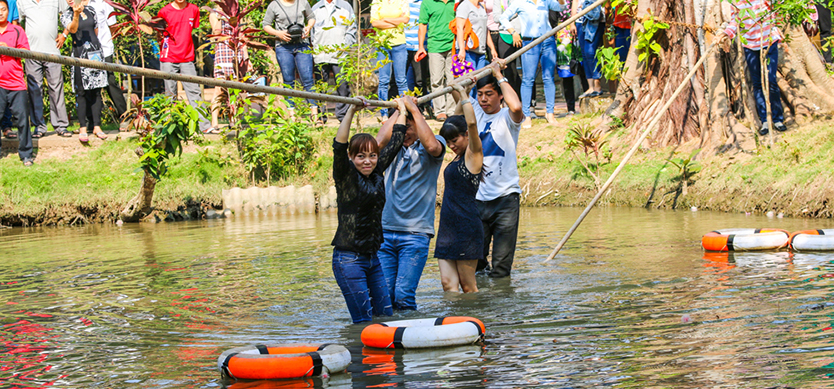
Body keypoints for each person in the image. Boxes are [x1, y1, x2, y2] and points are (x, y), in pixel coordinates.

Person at [331, 98, 407, 324]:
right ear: (352, 158)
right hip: (349, 260)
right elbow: (339, 145)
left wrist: (402, 109)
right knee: (363, 321)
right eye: (361, 156)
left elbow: (396, 141)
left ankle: (383, 360)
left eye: (372, 156)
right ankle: (360, 358)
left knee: (385, 317)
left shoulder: (376, 173)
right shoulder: (345, 176)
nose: (368, 161)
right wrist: (352, 109)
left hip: (373, 258)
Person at [375, 96, 445, 310]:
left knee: (403, 295)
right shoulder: (392, 148)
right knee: (384, 295)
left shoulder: (433, 144)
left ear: (419, 120)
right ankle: (386, 337)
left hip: (415, 234)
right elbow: (378, 143)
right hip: (385, 232)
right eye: (401, 127)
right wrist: (399, 110)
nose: (404, 131)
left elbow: (433, 146)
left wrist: (413, 109)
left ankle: (408, 336)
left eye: (409, 127)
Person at [474, 60, 524, 278]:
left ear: (500, 94)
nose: (484, 99)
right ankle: (481, 304)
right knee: (476, 261)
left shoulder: (507, 118)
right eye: (480, 94)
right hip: (477, 198)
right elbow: (457, 85)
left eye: (489, 94)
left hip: (505, 198)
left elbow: (517, 107)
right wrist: (481, 72)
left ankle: (502, 307)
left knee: (501, 266)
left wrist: (498, 74)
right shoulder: (475, 112)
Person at [435, 82, 483, 293]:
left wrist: (464, 95)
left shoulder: (473, 156)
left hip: (466, 228)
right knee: (448, 284)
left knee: (468, 285)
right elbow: (456, 121)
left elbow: (471, 125)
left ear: (465, 136)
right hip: (447, 228)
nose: (451, 145)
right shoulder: (456, 157)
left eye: (454, 140)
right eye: (448, 142)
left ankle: (475, 322)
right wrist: (464, 93)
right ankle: (453, 324)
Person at [722, 0, 787, 135]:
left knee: (771, 80)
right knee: (757, 82)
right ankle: (764, 120)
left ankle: (777, 119)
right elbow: (735, 22)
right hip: (750, 46)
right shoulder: (736, 2)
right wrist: (725, 34)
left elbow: (779, 7)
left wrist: (778, 26)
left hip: (769, 40)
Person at [499, 0, 566, 128]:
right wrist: (513, 32)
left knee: (548, 78)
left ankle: (550, 113)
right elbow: (503, 17)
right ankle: (526, 115)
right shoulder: (520, 3)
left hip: (548, 40)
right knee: (528, 79)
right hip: (530, 43)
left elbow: (561, 7)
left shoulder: (545, 1)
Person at [16, 0, 70, 138]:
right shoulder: (22, 1)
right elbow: (17, 23)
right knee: (34, 90)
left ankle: (61, 125)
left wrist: (64, 34)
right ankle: (39, 127)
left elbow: (68, 14)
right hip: (31, 52)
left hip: (53, 51)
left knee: (56, 88)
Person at [158, 0, 209, 133]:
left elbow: (190, 30)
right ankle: (169, 127)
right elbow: (158, 33)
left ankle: (204, 126)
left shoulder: (193, 9)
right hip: (169, 57)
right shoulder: (164, 12)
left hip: (187, 57)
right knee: (170, 93)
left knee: (194, 91)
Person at [263, 0, 318, 121]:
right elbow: (266, 25)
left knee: (308, 79)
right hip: (283, 47)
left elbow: (311, 17)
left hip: (302, 44)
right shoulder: (274, 5)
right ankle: (292, 116)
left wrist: (308, 27)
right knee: (288, 81)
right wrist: (278, 33)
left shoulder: (302, 2)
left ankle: (315, 115)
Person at [62, 0, 107, 143]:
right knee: (81, 92)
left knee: (96, 91)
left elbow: (95, 31)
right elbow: (73, 30)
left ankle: (97, 126)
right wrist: (76, 14)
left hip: (95, 54)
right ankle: (82, 127)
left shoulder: (91, 10)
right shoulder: (66, 14)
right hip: (79, 56)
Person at [0, 0, 33, 166]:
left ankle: (26, 154)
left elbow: (26, 52)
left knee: (22, 119)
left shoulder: (17, 30)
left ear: (8, 11)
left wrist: (8, 49)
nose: (0, 12)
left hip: (16, 83)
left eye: (3, 9)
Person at [311, 0, 355, 122]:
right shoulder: (315, 8)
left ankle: (343, 117)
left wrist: (344, 47)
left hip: (340, 55)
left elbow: (352, 29)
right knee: (320, 87)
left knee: (343, 87)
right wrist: (316, 50)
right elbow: (312, 33)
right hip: (321, 55)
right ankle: (321, 117)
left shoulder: (346, 7)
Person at [207, 5, 247, 132]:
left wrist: (246, 57)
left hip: (236, 52)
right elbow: (216, 32)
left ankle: (233, 120)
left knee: (236, 88)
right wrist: (219, 15)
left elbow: (242, 36)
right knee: (219, 88)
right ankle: (214, 123)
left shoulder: (236, 14)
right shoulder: (214, 14)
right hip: (223, 52)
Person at [88, 0, 126, 128]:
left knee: (110, 82)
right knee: (89, 85)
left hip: (104, 49)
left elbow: (113, 26)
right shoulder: (78, 4)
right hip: (86, 51)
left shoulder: (104, 3)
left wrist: (109, 45)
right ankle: (91, 122)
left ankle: (125, 116)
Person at [417, 0, 455, 121]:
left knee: (453, 79)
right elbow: (422, 25)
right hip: (435, 46)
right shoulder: (427, 3)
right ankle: (440, 111)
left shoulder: (455, 2)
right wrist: (421, 46)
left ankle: (452, 110)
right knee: (436, 80)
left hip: (453, 46)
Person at [371, 0, 409, 118]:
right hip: (382, 45)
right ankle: (384, 114)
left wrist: (385, 20)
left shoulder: (402, 1)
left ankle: (407, 112)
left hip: (399, 44)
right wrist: (396, 22)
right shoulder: (377, 2)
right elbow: (375, 23)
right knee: (383, 80)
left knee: (401, 80)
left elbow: (406, 20)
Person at [487, 0, 521, 97]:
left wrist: (506, 16)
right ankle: (510, 98)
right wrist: (515, 13)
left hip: (523, 33)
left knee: (527, 72)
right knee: (509, 71)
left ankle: (530, 102)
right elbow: (497, 18)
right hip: (505, 35)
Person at [573, 0, 604, 98]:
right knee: (584, 54)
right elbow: (575, 2)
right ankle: (590, 87)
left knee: (590, 51)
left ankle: (597, 85)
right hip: (580, 20)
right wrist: (572, 22)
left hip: (595, 18)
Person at [404, 0, 430, 109]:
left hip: (419, 47)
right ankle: (408, 107)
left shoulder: (424, 3)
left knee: (420, 80)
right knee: (405, 80)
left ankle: (421, 107)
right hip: (403, 47)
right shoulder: (402, 3)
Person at [455, 0, 493, 74]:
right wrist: (462, 49)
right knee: (471, 81)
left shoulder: (481, 7)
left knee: (480, 79)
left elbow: (485, 28)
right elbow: (459, 28)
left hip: (481, 51)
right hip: (468, 51)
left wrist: (492, 48)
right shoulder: (464, 5)